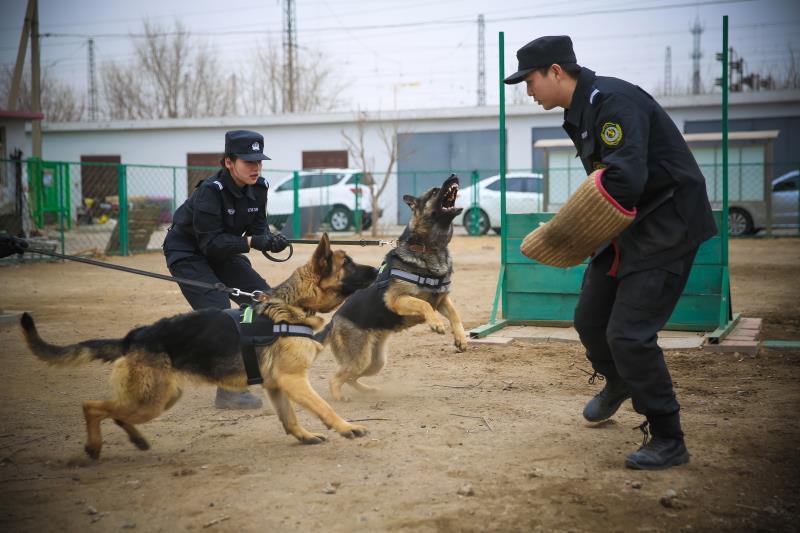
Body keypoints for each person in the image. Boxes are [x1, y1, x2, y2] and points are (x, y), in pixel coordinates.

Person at [505, 36, 717, 469]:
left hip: (666, 225)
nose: (528, 92)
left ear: (556, 72)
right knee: (589, 320)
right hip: (629, 224)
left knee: (629, 334)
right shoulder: (581, 110)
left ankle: (667, 436)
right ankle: (620, 381)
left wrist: (568, 232)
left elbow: (623, 180)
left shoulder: (613, 101)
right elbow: (611, 183)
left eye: (530, 81)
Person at [163, 130, 289, 410]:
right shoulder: (211, 191)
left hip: (223, 251)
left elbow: (257, 229)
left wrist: (270, 240)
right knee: (220, 312)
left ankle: (258, 369)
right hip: (189, 254)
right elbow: (210, 244)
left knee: (263, 300)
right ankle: (229, 389)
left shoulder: (259, 187)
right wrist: (250, 241)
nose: (255, 167)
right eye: (248, 162)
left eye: (259, 161)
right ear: (229, 162)